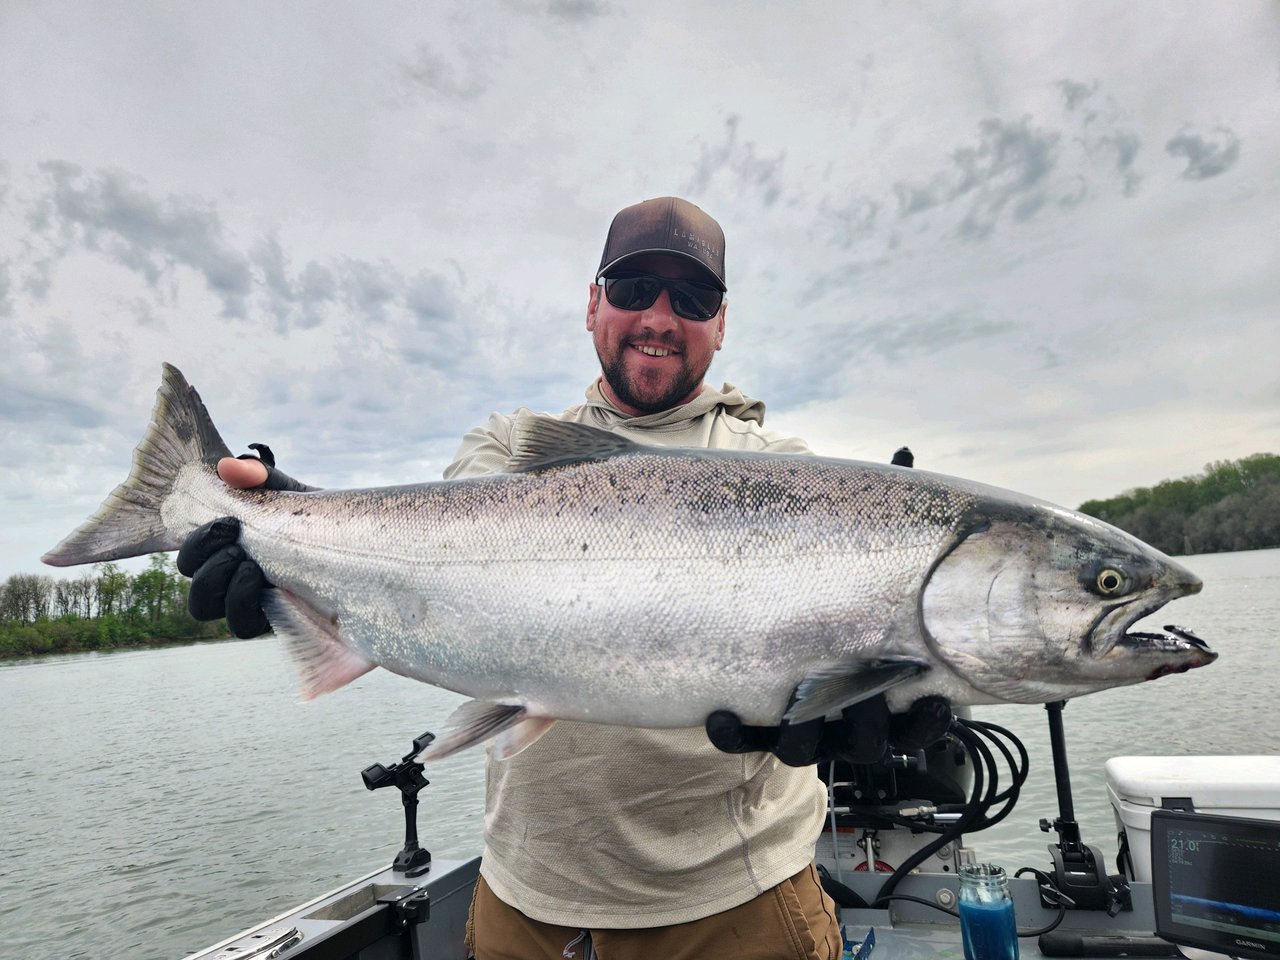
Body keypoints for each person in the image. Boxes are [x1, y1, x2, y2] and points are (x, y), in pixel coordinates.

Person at [178, 197, 945, 959]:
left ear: (720, 322)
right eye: (634, 289)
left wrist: (866, 700)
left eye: (692, 297)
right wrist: (285, 533)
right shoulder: (508, 446)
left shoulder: (788, 476)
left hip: (734, 907)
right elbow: (433, 552)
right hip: (525, 903)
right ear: (592, 304)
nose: (659, 317)